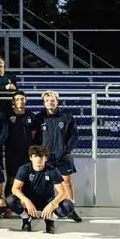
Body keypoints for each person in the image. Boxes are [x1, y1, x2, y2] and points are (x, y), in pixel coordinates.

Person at [33, 91, 82, 222]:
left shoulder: (67, 116)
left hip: (63, 156)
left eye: (52, 99)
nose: (50, 102)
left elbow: (74, 135)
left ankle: (70, 210)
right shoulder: (39, 118)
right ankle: (43, 208)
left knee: (67, 183)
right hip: (46, 158)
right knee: (45, 184)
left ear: (57, 101)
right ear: (44, 102)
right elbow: (34, 137)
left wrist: (66, 150)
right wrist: (39, 153)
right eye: (47, 100)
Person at [8, 145, 76, 233]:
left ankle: (50, 220)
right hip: (30, 203)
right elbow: (15, 189)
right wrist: (26, 201)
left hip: (47, 202)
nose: (38, 159)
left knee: (69, 204)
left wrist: (52, 205)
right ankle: (26, 219)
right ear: (30, 158)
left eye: (41, 156)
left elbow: (63, 192)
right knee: (10, 199)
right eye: (35, 156)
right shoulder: (24, 169)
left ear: (46, 158)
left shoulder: (52, 170)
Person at [5, 91, 36, 197]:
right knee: (11, 179)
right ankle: (9, 205)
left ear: (25, 100)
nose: (20, 101)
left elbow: (34, 134)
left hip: (27, 153)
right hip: (11, 153)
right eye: (17, 99)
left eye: (22, 99)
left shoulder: (31, 116)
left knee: (26, 179)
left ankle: (26, 205)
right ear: (13, 101)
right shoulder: (7, 116)